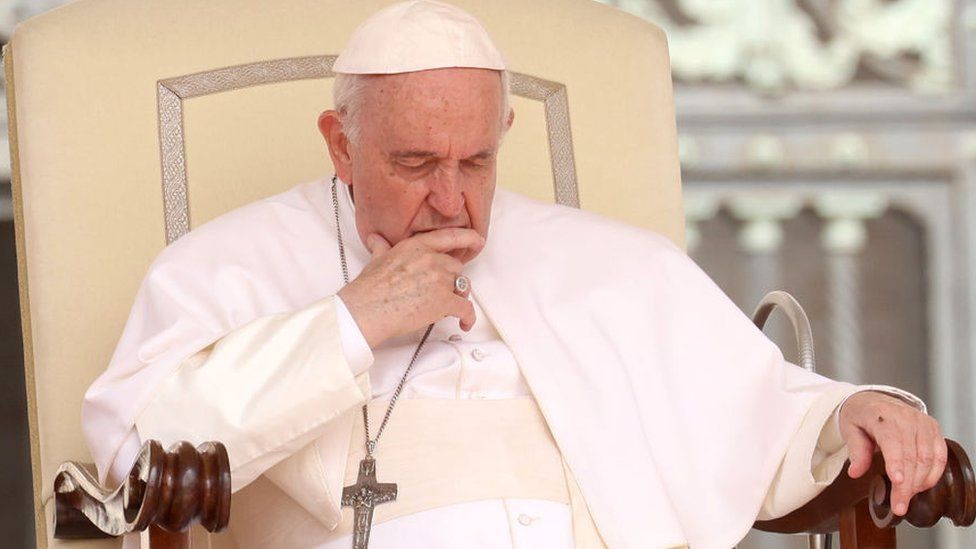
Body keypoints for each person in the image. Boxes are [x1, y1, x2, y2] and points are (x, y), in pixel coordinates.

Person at [82, 1, 947, 547]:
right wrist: (349, 321)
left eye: (478, 161)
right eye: (416, 163)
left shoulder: (613, 263)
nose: (452, 200)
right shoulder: (227, 263)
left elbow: (761, 415)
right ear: (341, 144)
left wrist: (851, 410)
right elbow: (138, 448)